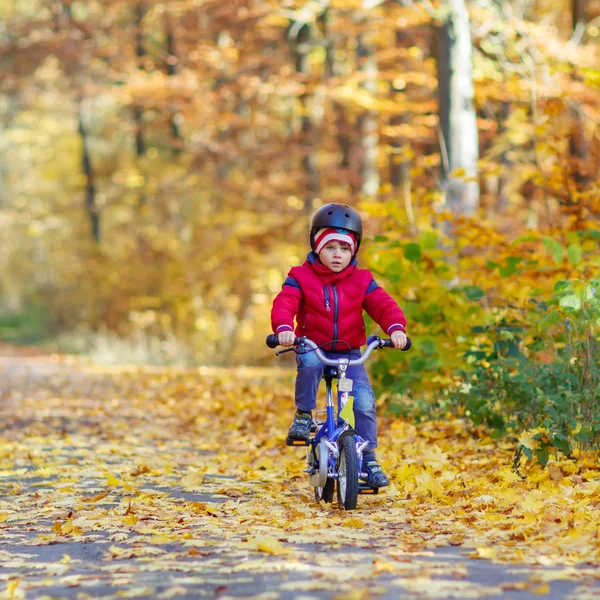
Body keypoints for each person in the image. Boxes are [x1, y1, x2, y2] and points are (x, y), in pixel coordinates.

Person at [270, 203, 408, 488]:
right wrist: (284, 329)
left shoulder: (362, 280)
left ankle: (368, 458)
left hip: (348, 352)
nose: (338, 255)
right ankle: (304, 415)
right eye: (331, 247)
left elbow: (383, 305)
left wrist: (395, 329)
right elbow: (285, 303)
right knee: (308, 363)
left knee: (365, 403)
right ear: (317, 247)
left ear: (353, 251)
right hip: (312, 345)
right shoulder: (300, 276)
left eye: (345, 249)